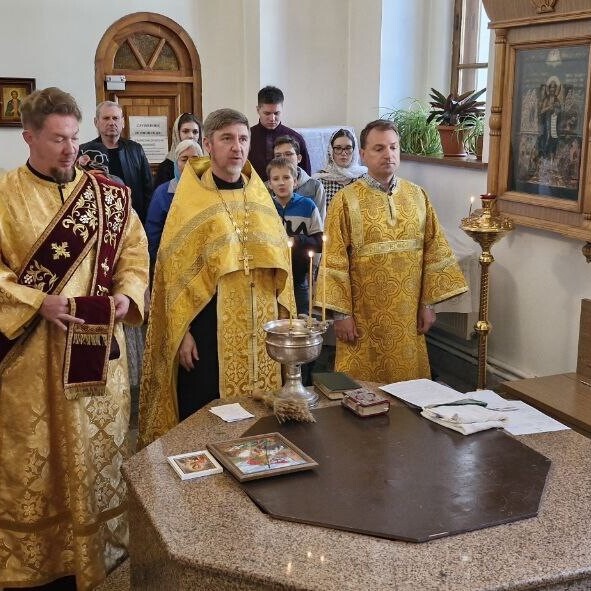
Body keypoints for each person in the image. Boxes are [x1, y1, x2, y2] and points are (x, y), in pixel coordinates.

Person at [0, 87, 149, 590]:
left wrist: (127, 294)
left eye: (73, 137)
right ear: (29, 138)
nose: (70, 150)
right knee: (36, 462)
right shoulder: (5, 197)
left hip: (99, 360)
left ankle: (102, 552)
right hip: (31, 362)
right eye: (58, 140)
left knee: (98, 458)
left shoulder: (108, 196)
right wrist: (33, 301)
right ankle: (39, 563)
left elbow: (134, 253)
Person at [139, 108, 293, 447]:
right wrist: (182, 333)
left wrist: (284, 321)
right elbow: (173, 273)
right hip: (207, 329)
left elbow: (279, 262)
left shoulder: (259, 194)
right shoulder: (190, 199)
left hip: (259, 327)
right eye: (227, 139)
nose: (237, 147)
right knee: (205, 420)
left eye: (243, 139)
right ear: (208, 144)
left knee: (260, 425)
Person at [316, 119, 467, 384]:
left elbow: (434, 252)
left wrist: (428, 305)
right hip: (363, 318)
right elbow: (334, 260)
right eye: (379, 148)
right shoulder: (345, 200)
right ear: (363, 154)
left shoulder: (418, 196)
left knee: (409, 389)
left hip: (408, 316)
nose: (388, 154)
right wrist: (342, 315)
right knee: (361, 393)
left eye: (393, 147)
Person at [79, 101, 153, 224]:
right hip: (98, 218)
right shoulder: (84, 152)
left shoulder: (135, 149)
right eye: (106, 118)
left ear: (122, 122)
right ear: (96, 122)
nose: (111, 122)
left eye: (115, 118)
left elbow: (148, 188)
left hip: (132, 217)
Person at [267, 157, 323, 314]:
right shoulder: (266, 207)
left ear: (296, 181)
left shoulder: (307, 206)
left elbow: (320, 242)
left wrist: (297, 240)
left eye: (286, 177)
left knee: (301, 320)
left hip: (298, 279)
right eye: (275, 179)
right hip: (271, 280)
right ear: (269, 184)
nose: (281, 183)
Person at [145, 138, 202, 264]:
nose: (189, 163)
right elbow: (153, 232)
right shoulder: (162, 193)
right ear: (176, 163)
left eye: (195, 158)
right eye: (184, 159)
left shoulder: (209, 190)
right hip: (171, 262)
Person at [248, 85, 311, 182]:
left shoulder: (296, 138)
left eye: (276, 113)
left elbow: (306, 178)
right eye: (267, 113)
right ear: (258, 110)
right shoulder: (246, 137)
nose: (272, 118)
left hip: (292, 191)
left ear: (282, 109)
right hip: (253, 190)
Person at [271, 135, 326, 220]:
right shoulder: (268, 187)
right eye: (278, 156)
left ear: (299, 158)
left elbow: (320, 221)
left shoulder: (315, 187)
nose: (283, 159)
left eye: (288, 154)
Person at [314, 128, 367, 210]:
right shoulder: (320, 181)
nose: (343, 153)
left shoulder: (365, 179)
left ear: (354, 150)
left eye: (348, 148)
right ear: (331, 151)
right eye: (338, 148)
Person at [153, 112, 203, 188]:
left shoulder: (205, 164)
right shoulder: (166, 167)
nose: (191, 136)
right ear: (177, 133)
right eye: (185, 131)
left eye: (195, 132)